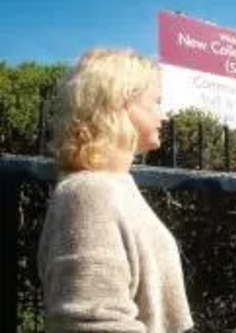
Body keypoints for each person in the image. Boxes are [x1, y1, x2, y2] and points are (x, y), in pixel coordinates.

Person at [37, 48, 193, 333]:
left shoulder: (115, 183)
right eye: (156, 102)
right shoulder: (88, 192)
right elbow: (91, 322)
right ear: (121, 103)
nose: (165, 114)